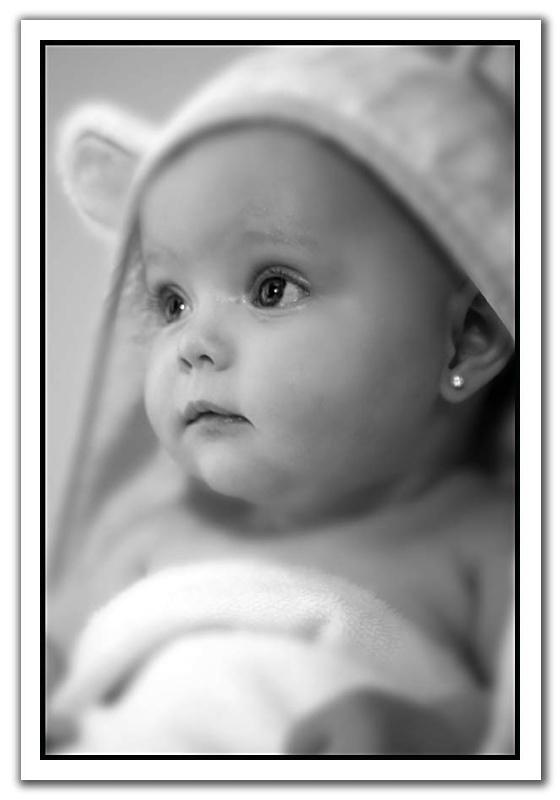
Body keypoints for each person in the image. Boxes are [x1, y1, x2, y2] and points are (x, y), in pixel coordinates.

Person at [47, 44, 515, 755]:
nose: (192, 344)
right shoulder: (146, 539)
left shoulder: (487, 546)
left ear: (466, 339)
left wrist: (438, 736)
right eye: (171, 302)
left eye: (272, 288)